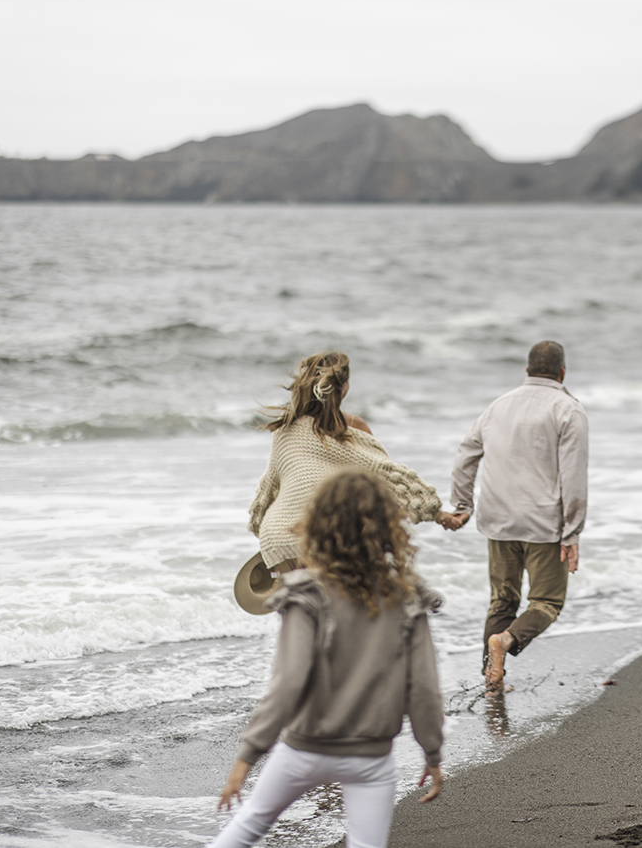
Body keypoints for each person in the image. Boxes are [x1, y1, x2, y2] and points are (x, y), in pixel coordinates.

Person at [209, 468, 444, 848]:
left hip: (304, 749)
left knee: (248, 826)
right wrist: (432, 753)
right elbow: (424, 689)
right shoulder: (407, 598)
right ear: (388, 527)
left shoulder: (306, 594)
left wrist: (247, 757)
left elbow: (288, 683)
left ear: (318, 526)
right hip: (371, 756)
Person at [246, 351, 459, 604]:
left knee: (300, 612)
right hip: (319, 537)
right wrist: (437, 513)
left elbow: (268, 488)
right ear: (344, 387)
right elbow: (387, 478)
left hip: (276, 536)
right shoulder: (352, 428)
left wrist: (258, 527)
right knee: (334, 613)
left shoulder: (285, 429)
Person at [446, 340, 588, 694]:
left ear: (527, 370)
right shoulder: (568, 410)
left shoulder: (498, 406)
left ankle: (491, 678)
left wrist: (463, 505)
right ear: (562, 373)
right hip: (543, 525)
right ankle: (505, 641)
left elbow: (465, 457)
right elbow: (573, 477)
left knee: (503, 600)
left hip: (497, 519)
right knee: (547, 602)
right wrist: (572, 532)